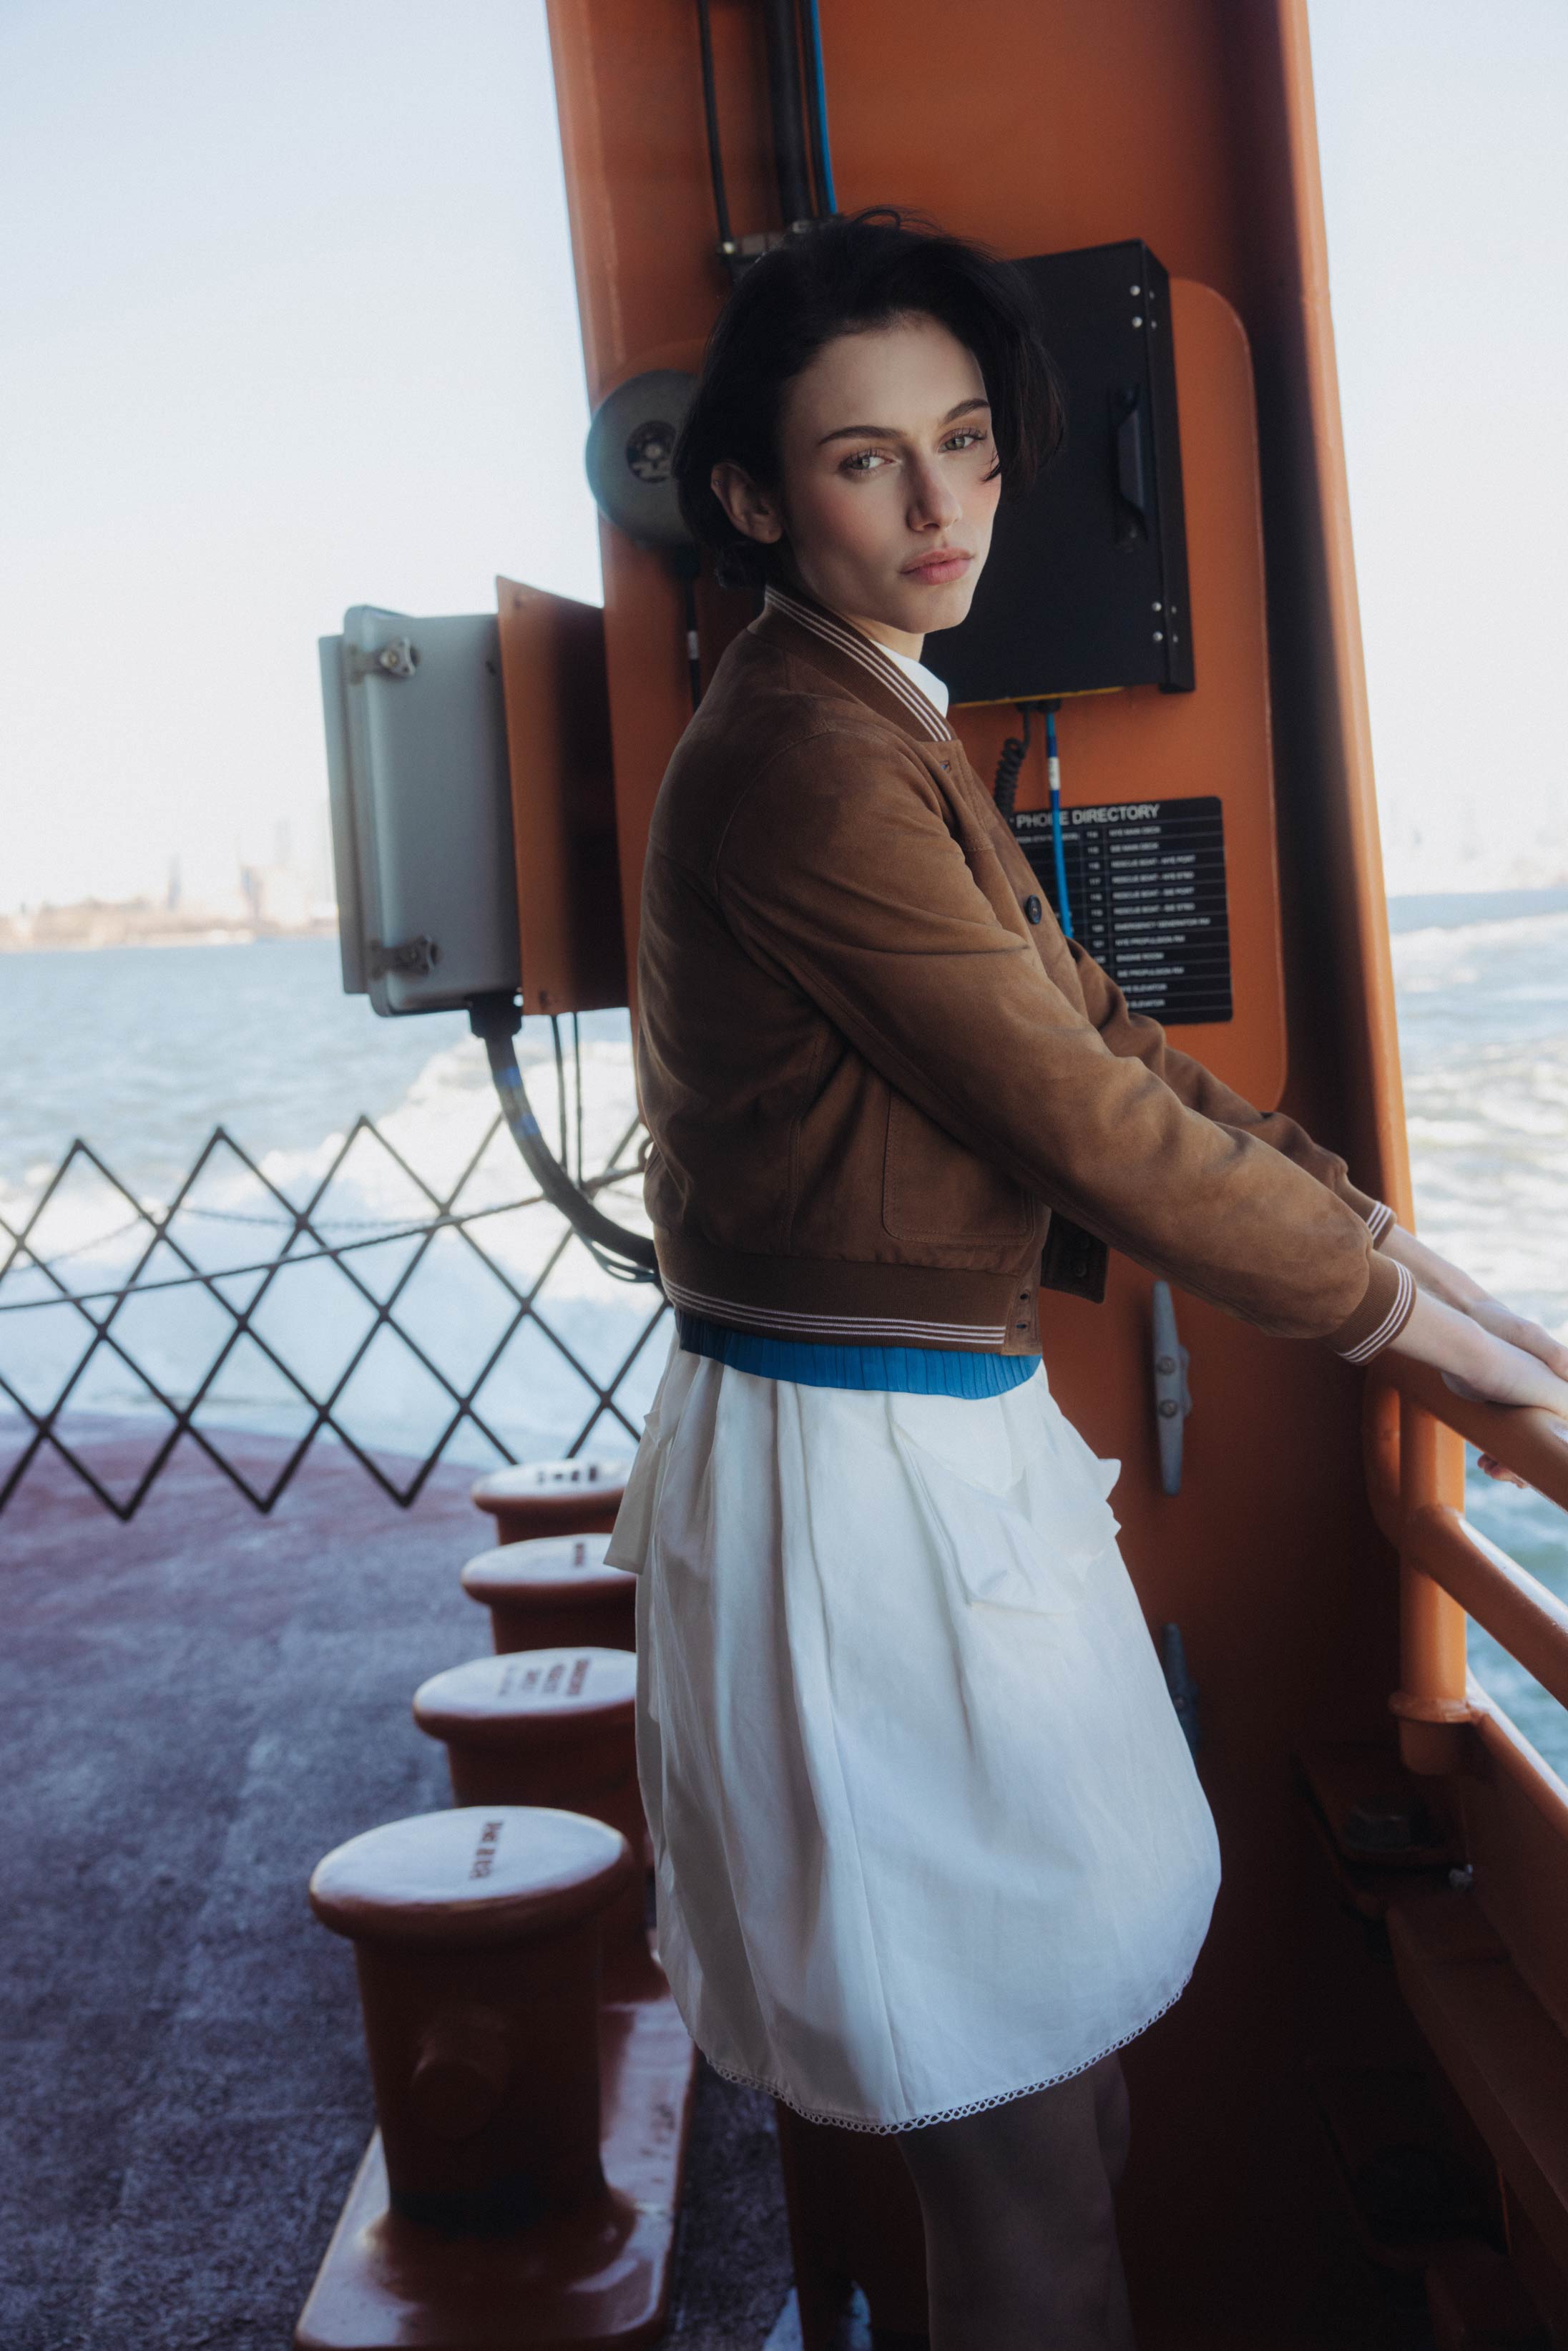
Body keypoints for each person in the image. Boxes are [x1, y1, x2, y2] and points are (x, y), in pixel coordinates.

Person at [603, 209, 1568, 2349]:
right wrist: (1411, 1328)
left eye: (966, 442)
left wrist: (1436, 1283)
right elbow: (1086, 1124)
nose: (942, 506)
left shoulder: (870, 719)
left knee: (1072, 2143)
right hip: (862, 1502)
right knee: (1032, 2198)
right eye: (868, 463)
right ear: (755, 498)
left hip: (926, 1463)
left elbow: (1109, 1048)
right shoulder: (804, 764)